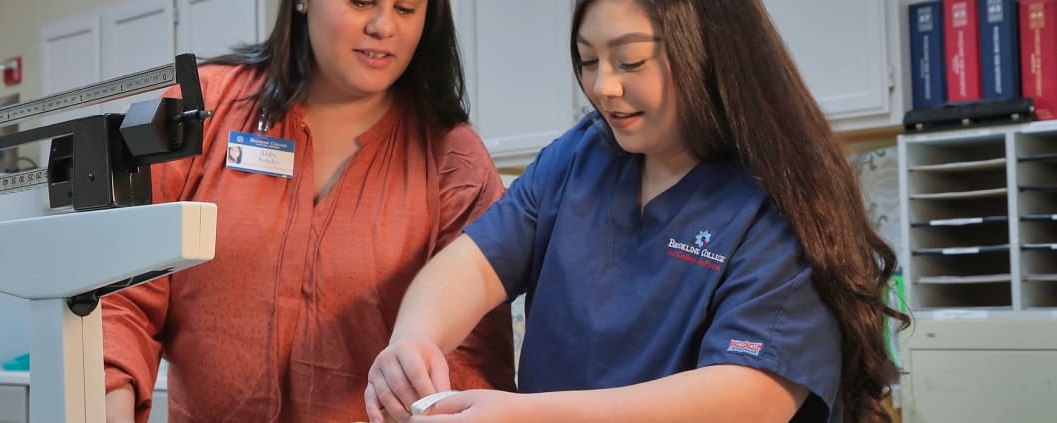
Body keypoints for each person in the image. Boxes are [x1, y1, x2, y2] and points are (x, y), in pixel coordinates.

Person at [364, 0, 909, 422]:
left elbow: (754, 398)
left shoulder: (778, 204)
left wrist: (530, 414)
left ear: (710, 51)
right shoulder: (581, 158)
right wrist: (414, 339)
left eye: (631, 60)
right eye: (587, 59)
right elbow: (471, 264)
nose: (604, 85)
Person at [102, 0, 516, 422]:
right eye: (361, 1)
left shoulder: (453, 159)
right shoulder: (205, 112)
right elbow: (122, 298)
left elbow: (475, 363)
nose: (383, 26)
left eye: (406, 8)